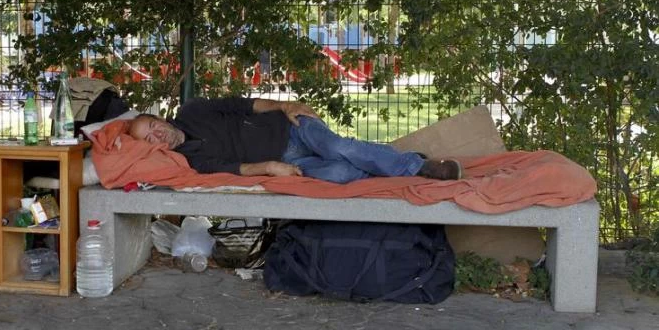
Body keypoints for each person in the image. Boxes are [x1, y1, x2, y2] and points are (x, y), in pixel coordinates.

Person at [128, 97, 461, 184]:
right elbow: (234, 168)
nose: (159, 135)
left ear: (160, 118)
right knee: (340, 174)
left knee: (336, 147)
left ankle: (419, 166)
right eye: (150, 140)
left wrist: (285, 106)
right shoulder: (189, 160)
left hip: (291, 128)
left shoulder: (194, 110)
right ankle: (394, 159)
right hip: (292, 161)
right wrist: (272, 167)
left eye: (153, 126)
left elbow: (243, 105)